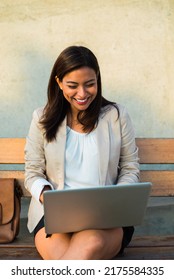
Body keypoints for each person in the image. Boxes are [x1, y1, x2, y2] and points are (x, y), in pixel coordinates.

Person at [24, 45, 139, 260]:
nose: (82, 94)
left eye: (90, 84)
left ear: (98, 79)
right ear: (58, 82)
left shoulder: (116, 116)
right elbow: (32, 173)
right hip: (54, 218)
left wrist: (117, 198)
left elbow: (130, 167)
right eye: (72, 86)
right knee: (72, 260)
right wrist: (46, 195)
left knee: (89, 245)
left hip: (106, 219)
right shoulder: (41, 118)